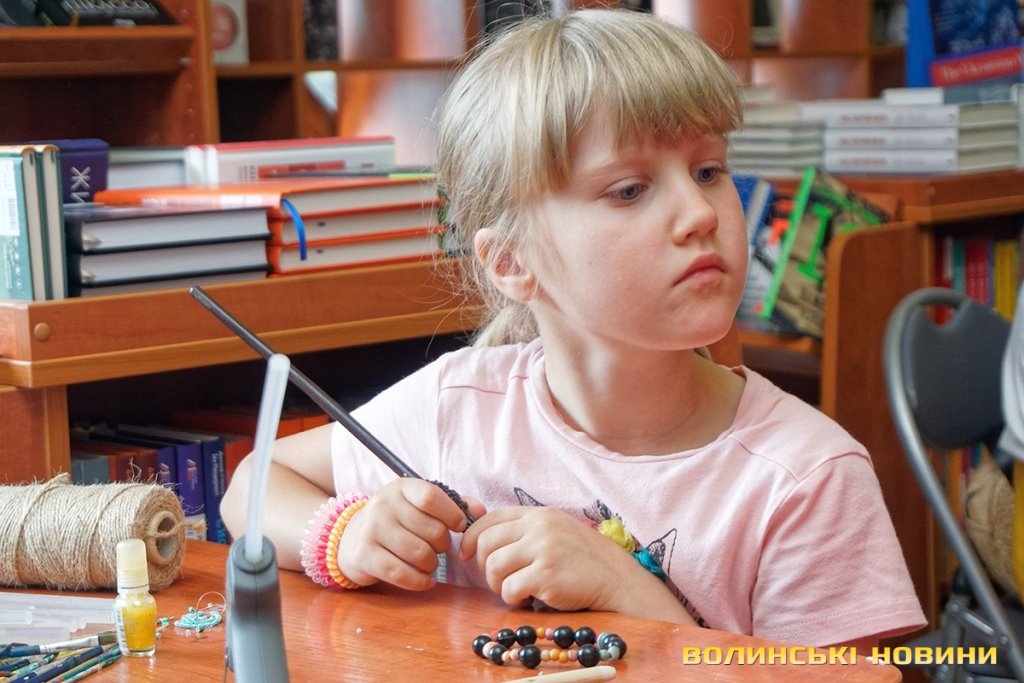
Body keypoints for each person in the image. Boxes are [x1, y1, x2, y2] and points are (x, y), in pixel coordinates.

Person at [221, 8, 925, 649]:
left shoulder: (806, 478)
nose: (701, 212)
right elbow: (254, 483)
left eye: (709, 170)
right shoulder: (456, 408)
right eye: (630, 189)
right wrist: (345, 535)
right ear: (511, 261)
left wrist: (627, 590)